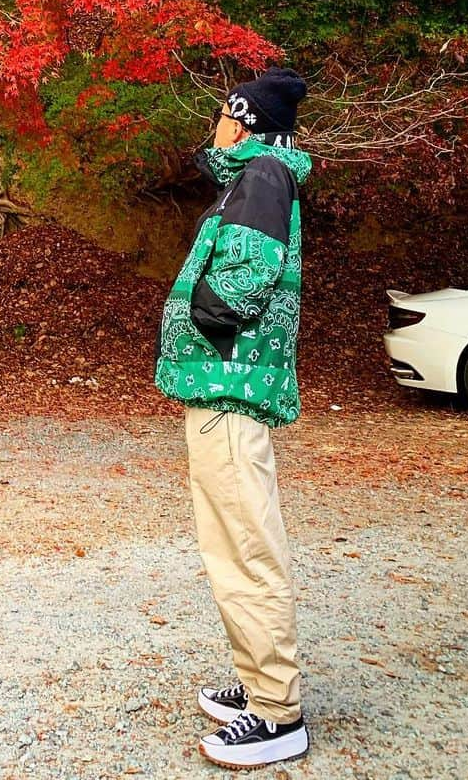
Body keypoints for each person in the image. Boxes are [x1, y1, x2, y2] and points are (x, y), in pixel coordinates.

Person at [154, 66, 312, 769]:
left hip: (229, 386)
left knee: (247, 549)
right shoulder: (256, 175)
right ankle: (258, 686)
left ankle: (279, 712)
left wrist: (201, 320)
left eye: (223, 115)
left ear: (242, 121)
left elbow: (246, 275)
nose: (214, 126)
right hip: (222, 386)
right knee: (232, 548)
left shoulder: (263, 175)